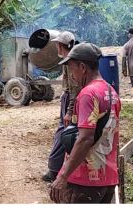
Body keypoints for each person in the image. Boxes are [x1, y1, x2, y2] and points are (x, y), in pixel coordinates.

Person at [50, 42, 121, 204]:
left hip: (85, 179)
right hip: (107, 177)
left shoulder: (88, 94)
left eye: (71, 68)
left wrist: (63, 176)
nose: (71, 75)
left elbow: (85, 138)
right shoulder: (111, 92)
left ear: (82, 67)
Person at [43, 31, 78, 182]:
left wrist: (69, 111)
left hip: (71, 100)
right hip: (69, 99)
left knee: (64, 133)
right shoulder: (69, 60)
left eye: (57, 44)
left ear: (61, 46)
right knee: (66, 132)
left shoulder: (71, 62)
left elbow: (74, 89)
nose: (56, 47)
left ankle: (54, 170)